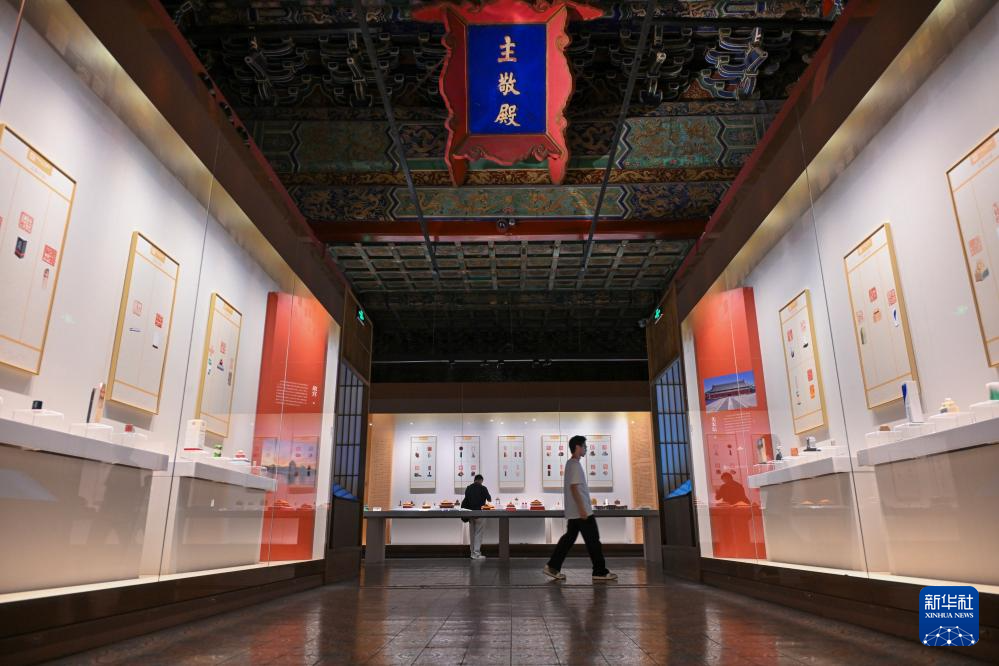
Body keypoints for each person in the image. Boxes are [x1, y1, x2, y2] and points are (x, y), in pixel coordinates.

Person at [543, 435, 617, 581]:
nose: (586, 449)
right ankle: (599, 571)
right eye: (584, 446)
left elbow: (574, 487)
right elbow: (574, 488)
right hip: (581, 512)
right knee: (593, 540)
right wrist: (583, 509)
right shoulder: (574, 465)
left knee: (568, 539)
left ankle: (552, 566)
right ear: (577, 447)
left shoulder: (571, 464)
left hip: (575, 512)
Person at [461, 473, 491, 559]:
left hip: (470, 514)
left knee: (472, 533)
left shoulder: (468, 488)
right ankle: (477, 553)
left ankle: (472, 553)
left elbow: (466, 500)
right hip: (480, 514)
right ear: (481, 480)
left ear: (474, 480)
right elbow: (489, 499)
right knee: (478, 533)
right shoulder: (483, 488)